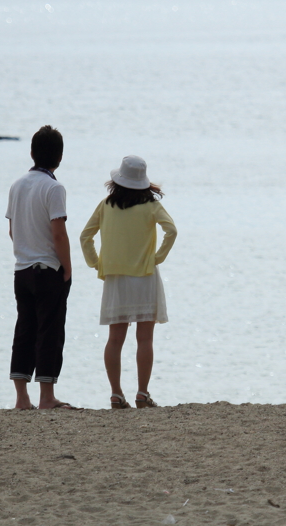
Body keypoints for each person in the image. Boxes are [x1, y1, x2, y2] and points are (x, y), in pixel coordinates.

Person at [80, 155, 177, 410]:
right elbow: (171, 230)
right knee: (145, 339)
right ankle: (142, 394)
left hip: (115, 277)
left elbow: (85, 236)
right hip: (144, 275)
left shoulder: (106, 205)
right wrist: (158, 257)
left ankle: (116, 394)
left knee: (115, 339)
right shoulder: (151, 205)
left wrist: (96, 263)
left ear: (118, 181)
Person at [6, 125, 77, 410]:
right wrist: (68, 266)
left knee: (24, 329)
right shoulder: (54, 188)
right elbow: (58, 232)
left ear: (32, 152)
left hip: (22, 269)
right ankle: (46, 396)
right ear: (59, 157)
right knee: (50, 331)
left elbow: (12, 230)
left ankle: (22, 398)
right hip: (48, 269)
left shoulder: (17, 185)